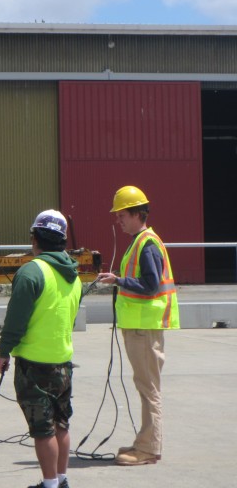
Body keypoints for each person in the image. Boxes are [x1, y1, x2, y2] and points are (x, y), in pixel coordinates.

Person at [0, 209, 82, 488]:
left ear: (35, 238)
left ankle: (49, 485)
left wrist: (3, 350)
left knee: (43, 430)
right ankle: (61, 480)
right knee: (61, 424)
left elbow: (16, 319)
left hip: (34, 365)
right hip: (63, 363)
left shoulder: (31, 272)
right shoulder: (74, 276)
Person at [97, 185, 179, 466]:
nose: (118, 220)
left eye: (121, 215)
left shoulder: (147, 244)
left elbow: (150, 285)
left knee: (148, 389)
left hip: (145, 328)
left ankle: (148, 448)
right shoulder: (141, 241)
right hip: (139, 326)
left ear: (135, 214)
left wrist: (118, 281)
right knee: (145, 386)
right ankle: (144, 442)